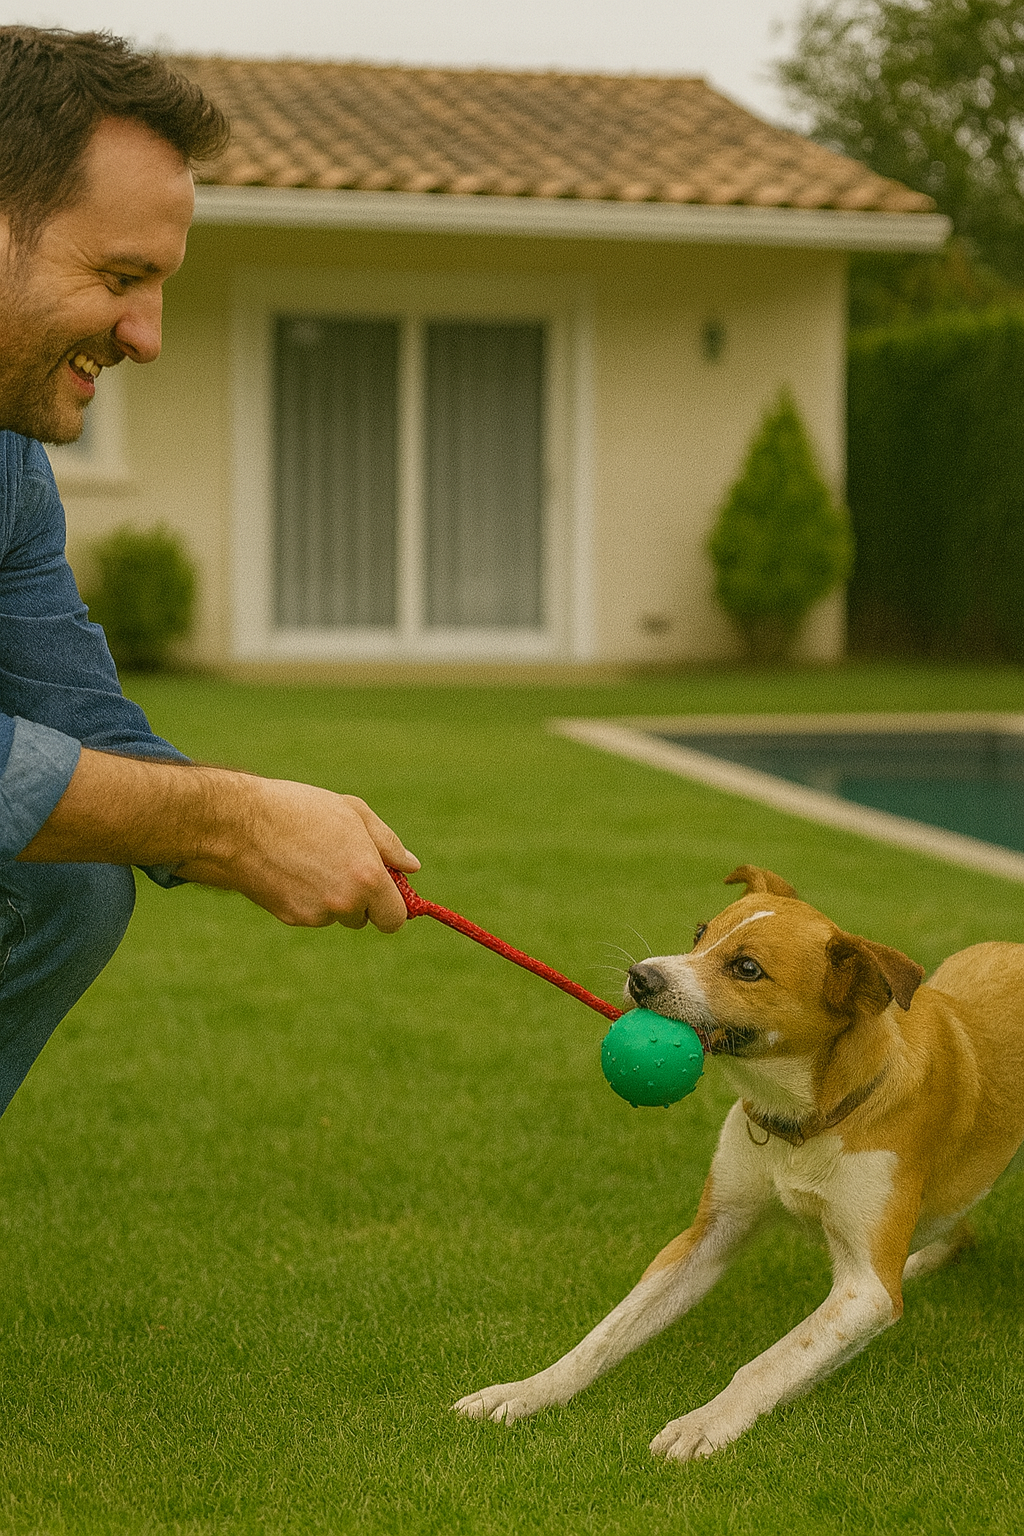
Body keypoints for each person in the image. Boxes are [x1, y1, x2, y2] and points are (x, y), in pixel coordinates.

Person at [0, 26, 420, 1116]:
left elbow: (80, 724)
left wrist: (262, 829)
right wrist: (224, 822)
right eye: (119, 276)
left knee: (64, 882)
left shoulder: (9, 472)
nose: (145, 336)